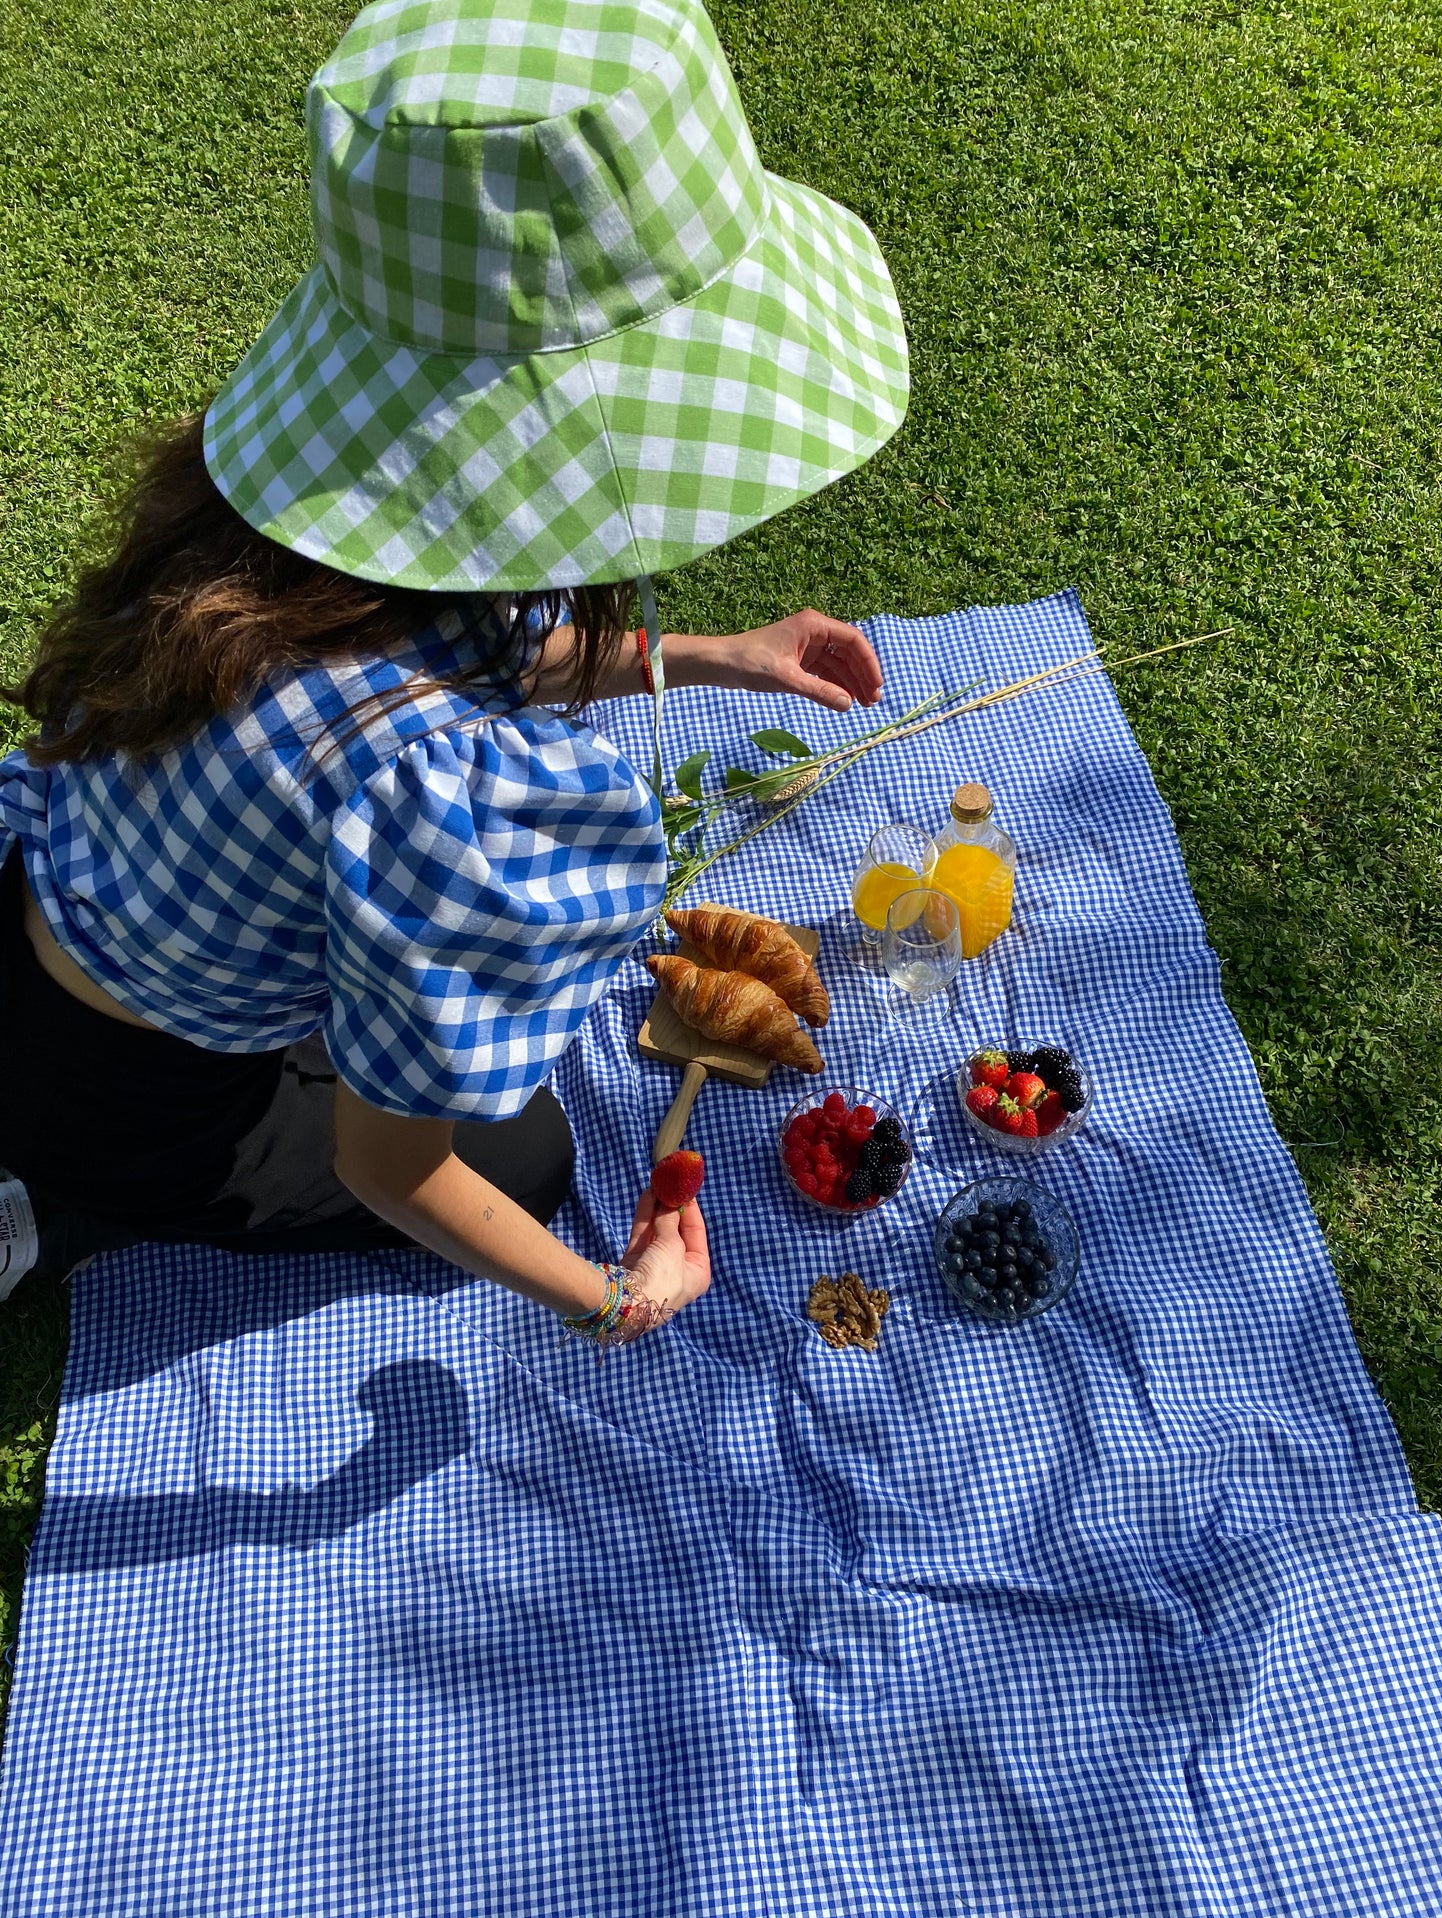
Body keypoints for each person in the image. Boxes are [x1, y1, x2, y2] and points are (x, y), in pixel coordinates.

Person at [0, 0, 909, 1346]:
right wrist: (612, 1295)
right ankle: (59, 1201)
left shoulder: (297, 512)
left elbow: (490, 652)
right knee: (522, 1161)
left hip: (40, 911)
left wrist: (719, 657)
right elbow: (392, 1168)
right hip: (140, 1096)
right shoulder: (438, 784)